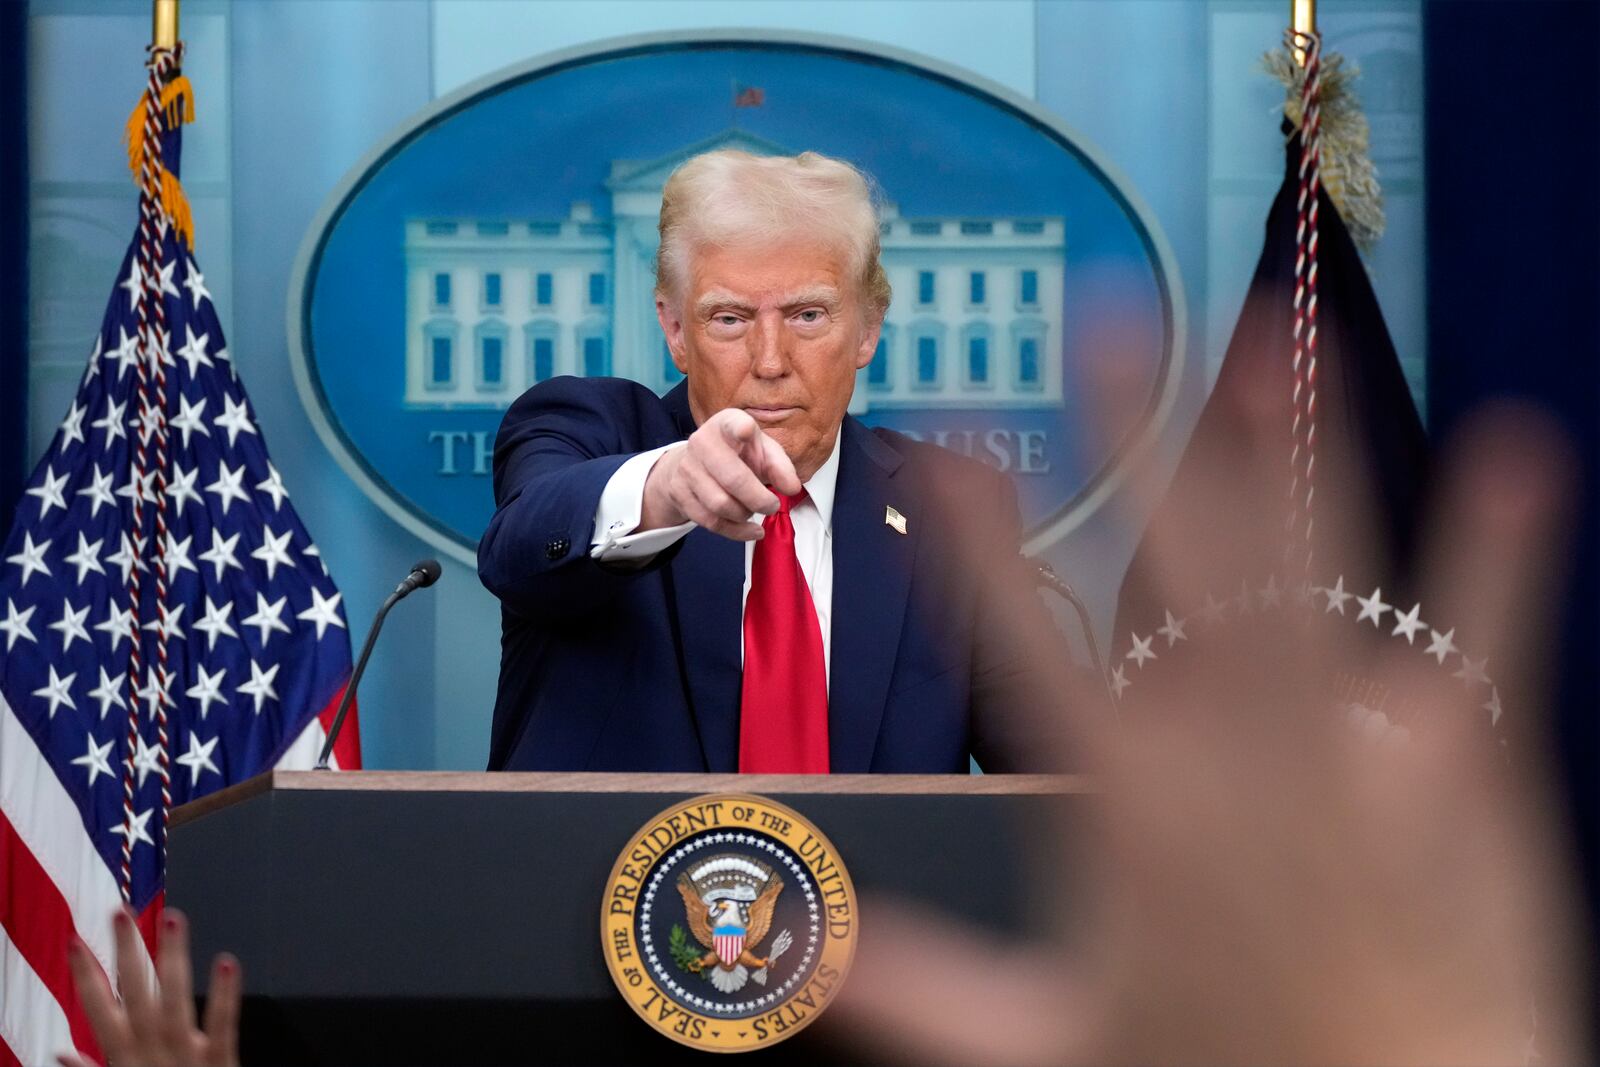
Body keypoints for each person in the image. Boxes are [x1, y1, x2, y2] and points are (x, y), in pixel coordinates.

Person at [477, 149, 1073, 773]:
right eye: (729, 319)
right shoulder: (587, 431)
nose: (769, 361)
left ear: (868, 329)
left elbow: (1064, 778)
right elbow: (519, 548)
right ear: (676, 329)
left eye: (808, 315)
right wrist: (668, 487)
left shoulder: (950, 508)